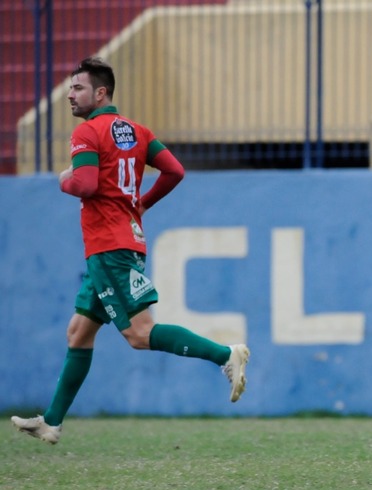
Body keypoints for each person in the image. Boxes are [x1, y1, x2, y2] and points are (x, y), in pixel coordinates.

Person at [11, 57, 250, 445]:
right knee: (79, 332)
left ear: (101, 92)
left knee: (139, 333)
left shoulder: (87, 133)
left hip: (107, 247)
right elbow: (174, 171)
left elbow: (85, 184)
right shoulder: (136, 131)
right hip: (125, 241)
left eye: (79, 88)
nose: (70, 95)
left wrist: (63, 181)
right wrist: (142, 203)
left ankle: (225, 355)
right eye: (70, 88)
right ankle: (51, 422)